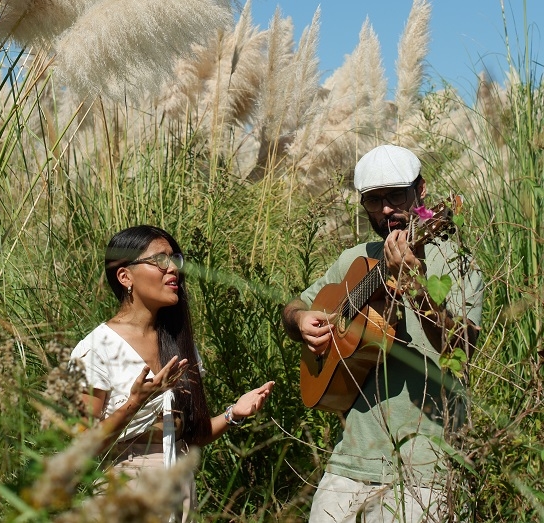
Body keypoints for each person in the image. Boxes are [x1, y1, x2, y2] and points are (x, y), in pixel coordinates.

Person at [282, 145, 483, 522]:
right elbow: (294, 306)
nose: (387, 209)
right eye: (374, 201)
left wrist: (415, 281)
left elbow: (461, 347)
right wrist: (300, 322)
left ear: (421, 191)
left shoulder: (456, 262)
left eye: (396, 195)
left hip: (427, 469)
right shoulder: (354, 259)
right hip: (349, 462)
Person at [71, 224, 274, 522]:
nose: (173, 270)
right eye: (160, 260)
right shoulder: (96, 348)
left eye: (175, 260)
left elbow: (192, 436)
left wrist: (234, 413)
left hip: (181, 493)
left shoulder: (179, 343)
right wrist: (134, 403)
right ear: (125, 276)